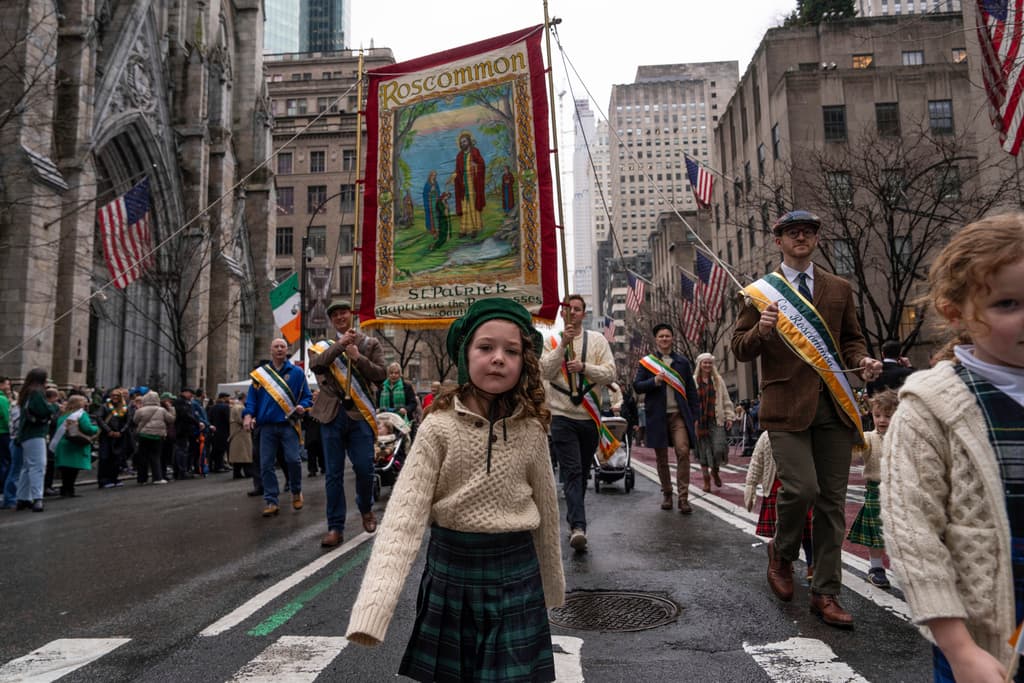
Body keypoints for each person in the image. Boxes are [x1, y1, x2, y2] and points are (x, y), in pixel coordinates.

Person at [345, 298, 564, 683]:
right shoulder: (438, 426)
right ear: (465, 355)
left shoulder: (531, 429)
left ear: (524, 361)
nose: (498, 358)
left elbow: (547, 512)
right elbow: (403, 518)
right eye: (486, 347)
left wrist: (551, 588)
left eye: (511, 351)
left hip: (517, 574)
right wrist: (373, 608)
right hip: (451, 575)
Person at [882, 214, 1024, 683]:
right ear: (954, 312)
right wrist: (959, 647)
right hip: (983, 621)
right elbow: (914, 534)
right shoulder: (929, 406)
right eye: (1007, 303)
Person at [731, 209, 881, 628]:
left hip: (833, 406)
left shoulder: (839, 287)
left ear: (816, 238)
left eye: (808, 231)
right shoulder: (761, 293)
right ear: (777, 240)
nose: (801, 237)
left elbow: (851, 340)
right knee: (801, 489)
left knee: (832, 503)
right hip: (784, 408)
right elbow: (739, 348)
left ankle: (825, 592)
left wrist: (863, 360)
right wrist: (761, 330)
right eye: (791, 232)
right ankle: (781, 551)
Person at [540, 294, 616, 551]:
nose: (572, 313)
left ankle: (574, 517)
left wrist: (584, 367)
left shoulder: (597, 340)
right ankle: (578, 527)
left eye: (577, 309)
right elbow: (545, 372)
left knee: (582, 472)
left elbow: (610, 373)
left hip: (589, 417)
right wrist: (563, 345)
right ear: (562, 314)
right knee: (571, 471)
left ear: (584, 313)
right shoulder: (550, 341)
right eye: (568, 309)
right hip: (562, 417)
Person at [308, 299, 386, 548]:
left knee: (364, 468)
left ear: (351, 316)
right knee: (333, 474)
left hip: (359, 415)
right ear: (332, 321)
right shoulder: (322, 346)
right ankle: (335, 527)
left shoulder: (370, 343)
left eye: (344, 313)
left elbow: (380, 374)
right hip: (331, 415)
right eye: (335, 315)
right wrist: (341, 346)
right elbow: (316, 364)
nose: (340, 317)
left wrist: (358, 357)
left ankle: (365, 508)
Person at [633, 323, 700, 513]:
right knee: (661, 457)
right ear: (656, 339)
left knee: (683, 451)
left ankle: (684, 497)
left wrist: (695, 416)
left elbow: (691, 392)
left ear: (672, 338)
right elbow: (637, 385)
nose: (664, 339)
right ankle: (667, 494)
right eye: (661, 336)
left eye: (667, 336)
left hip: (679, 415)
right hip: (657, 416)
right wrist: (654, 381)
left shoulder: (683, 362)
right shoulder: (647, 363)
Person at [243, 338, 313, 517]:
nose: (280, 349)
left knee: (293, 460)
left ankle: (296, 490)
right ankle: (271, 500)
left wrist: (302, 406)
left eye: (283, 346)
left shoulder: (296, 373)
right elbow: (252, 399)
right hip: (266, 426)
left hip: (288, 424)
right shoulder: (260, 375)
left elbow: (307, 397)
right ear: (270, 350)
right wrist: (248, 415)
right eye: (276, 346)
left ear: (287, 350)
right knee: (266, 465)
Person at [744, 431, 815, 581]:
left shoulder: (806, 431)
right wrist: (751, 484)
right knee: (783, 531)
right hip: (776, 488)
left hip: (801, 488)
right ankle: (784, 562)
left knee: (809, 532)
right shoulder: (767, 436)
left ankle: (812, 565)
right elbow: (757, 461)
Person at [847, 388, 897, 589]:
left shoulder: (903, 437)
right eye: (877, 415)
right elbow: (852, 455)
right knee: (875, 533)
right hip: (876, 489)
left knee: (901, 533)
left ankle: (903, 568)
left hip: (900, 491)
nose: (882, 420)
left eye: (888, 415)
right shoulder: (868, 438)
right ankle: (876, 568)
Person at [14, 368, 58, 512]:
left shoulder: (27, 391)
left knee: (27, 467)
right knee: (38, 465)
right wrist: (54, 406)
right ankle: (37, 498)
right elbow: (44, 410)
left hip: (26, 433)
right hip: (35, 432)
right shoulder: (37, 392)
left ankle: (23, 498)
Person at [693, 352, 735, 492]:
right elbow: (690, 402)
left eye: (709, 363)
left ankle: (715, 471)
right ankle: (706, 480)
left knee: (719, 448)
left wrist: (729, 417)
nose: (707, 365)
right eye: (704, 363)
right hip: (700, 422)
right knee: (704, 452)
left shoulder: (718, 380)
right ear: (700, 364)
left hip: (716, 420)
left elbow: (726, 400)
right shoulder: (693, 381)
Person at [52, 395, 98, 498]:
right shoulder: (81, 414)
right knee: (73, 470)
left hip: (63, 444)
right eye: (84, 402)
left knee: (65, 470)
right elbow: (88, 428)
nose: (86, 404)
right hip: (74, 444)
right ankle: (69, 490)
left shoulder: (64, 415)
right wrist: (96, 428)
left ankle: (65, 490)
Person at [132, 390, 174, 485]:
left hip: (144, 435)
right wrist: (170, 408)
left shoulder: (141, 410)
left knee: (143, 457)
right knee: (155, 456)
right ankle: (157, 478)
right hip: (157, 435)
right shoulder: (161, 410)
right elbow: (171, 419)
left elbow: (135, 421)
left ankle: (142, 479)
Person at [451, 130, 486, 238]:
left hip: (473, 184)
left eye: (464, 141)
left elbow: (482, 165)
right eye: (461, 142)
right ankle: (464, 229)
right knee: (464, 207)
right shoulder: (459, 156)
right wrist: (454, 176)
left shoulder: (475, 152)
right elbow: (458, 170)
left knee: (473, 206)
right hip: (463, 185)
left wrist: (475, 165)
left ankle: (475, 228)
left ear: (469, 141)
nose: (463, 144)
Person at [97, 388, 130, 488]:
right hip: (107, 436)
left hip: (119, 436)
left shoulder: (124, 407)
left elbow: (128, 421)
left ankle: (114, 478)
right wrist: (109, 431)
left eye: (117, 396)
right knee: (105, 457)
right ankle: (103, 480)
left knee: (116, 458)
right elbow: (100, 419)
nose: (115, 397)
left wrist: (121, 431)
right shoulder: (104, 406)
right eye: (113, 395)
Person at [227, 394, 253, 480]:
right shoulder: (240, 408)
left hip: (237, 433)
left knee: (238, 455)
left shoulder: (235, 406)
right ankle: (247, 472)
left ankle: (237, 473)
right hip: (241, 433)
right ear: (244, 398)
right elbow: (242, 420)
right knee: (244, 454)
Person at [207, 392, 232, 473]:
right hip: (223, 431)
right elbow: (228, 419)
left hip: (214, 430)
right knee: (221, 450)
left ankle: (212, 465)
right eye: (228, 398)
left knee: (215, 449)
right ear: (224, 398)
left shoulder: (212, 407)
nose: (229, 399)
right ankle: (218, 466)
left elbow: (209, 418)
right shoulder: (225, 407)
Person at [422, 170, 440, 236]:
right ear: (430, 176)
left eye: (435, 175)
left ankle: (437, 229)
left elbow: (438, 191)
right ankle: (430, 229)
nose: (434, 176)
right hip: (429, 202)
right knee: (430, 216)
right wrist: (430, 192)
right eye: (433, 175)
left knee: (436, 215)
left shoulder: (436, 183)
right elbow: (424, 194)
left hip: (435, 201)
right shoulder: (427, 184)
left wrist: (435, 191)